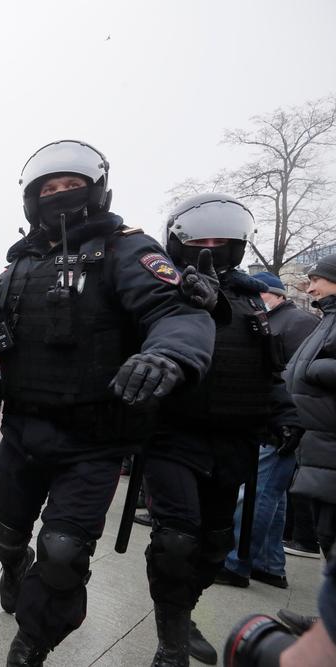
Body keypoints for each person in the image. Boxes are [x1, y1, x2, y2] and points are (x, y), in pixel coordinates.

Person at [0, 140, 215, 666]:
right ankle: (14, 567)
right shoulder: (21, 264)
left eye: (70, 186)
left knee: (62, 554)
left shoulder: (127, 249)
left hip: (94, 440)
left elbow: (175, 312)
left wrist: (168, 355)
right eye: (48, 189)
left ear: (97, 192)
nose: (59, 195)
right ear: (32, 201)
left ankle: (31, 645)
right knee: (6, 534)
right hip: (22, 430)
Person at [143, 194, 300, 667]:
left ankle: (181, 611)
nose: (208, 249)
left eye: (220, 241)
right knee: (175, 540)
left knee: (214, 547)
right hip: (172, 433)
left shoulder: (251, 298)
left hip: (233, 437)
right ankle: (171, 645)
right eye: (200, 240)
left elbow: (265, 369)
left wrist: (283, 413)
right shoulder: (158, 288)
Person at [216, 271, 319, 588]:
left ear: (275, 295)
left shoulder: (297, 322)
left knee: (259, 491)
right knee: (272, 493)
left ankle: (236, 561)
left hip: (288, 417)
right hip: (286, 415)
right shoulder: (286, 320)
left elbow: (291, 373)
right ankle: (269, 565)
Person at [285, 254, 336, 560]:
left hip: (329, 446)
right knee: (327, 535)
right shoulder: (328, 318)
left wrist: (315, 370)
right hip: (319, 444)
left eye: (316, 280)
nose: (310, 288)